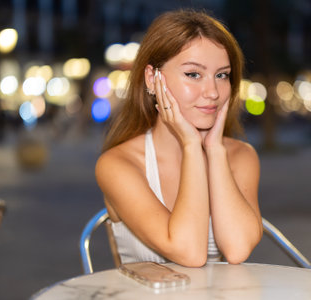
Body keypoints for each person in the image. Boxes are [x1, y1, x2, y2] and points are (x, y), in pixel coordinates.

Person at [95, 9, 262, 267]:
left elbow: (237, 249)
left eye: (222, 75)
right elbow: (189, 252)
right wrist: (191, 145)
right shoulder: (118, 165)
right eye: (193, 74)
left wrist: (215, 149)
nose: (213, 92)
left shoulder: (241, 156)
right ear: (152, 78)